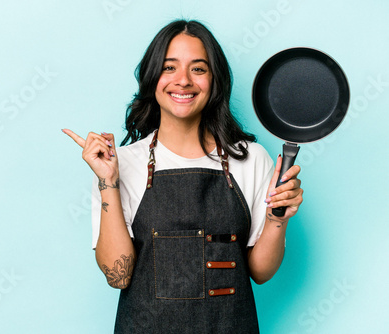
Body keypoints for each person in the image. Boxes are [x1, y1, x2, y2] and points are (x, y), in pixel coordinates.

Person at [63, 19, 303, 333]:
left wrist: (277, 219)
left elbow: (260, 271)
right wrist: (108, 181)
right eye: (169, 67)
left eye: (198, 69)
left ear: (214, 80)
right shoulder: (119, 164)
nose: (184, 81)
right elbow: (117, 275)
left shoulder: (250, 159)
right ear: (153, 78)